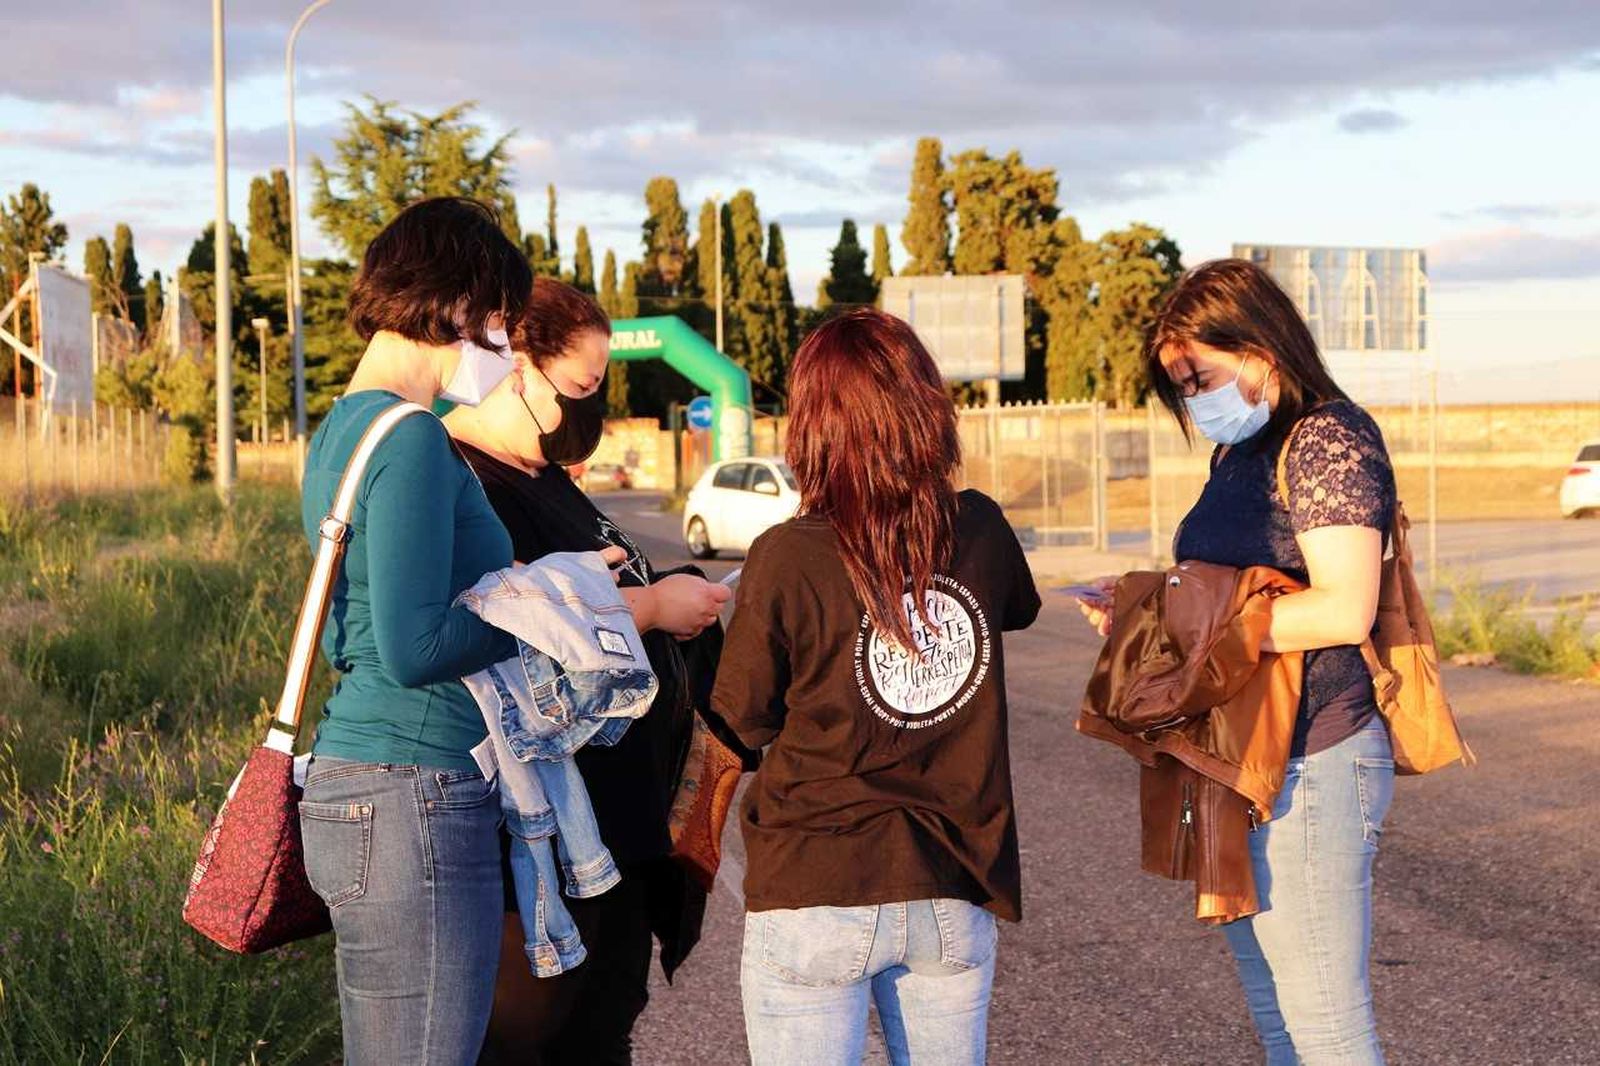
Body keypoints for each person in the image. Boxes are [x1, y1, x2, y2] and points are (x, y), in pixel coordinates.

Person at [297, 197, 617, 1065]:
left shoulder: (343, 430)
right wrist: (550, 619)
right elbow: (413, 648)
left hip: (378, 788)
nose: (509, 348)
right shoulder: (409, 442)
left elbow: (357, 634)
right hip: (416, 797)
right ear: (454, 305)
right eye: (501, 323)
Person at [1080, 258, 1398, 1064]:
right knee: (1279, 1017)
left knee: (1326, 1028)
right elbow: (1233, 589)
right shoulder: (1242, 453)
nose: (1193, 398)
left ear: (1260, 350)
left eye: (1199, 376)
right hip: (1244, 759)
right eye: (1181, 386)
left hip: (1312, 761)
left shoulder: (1328, 437)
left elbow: (1342, 607)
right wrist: (1147, 615)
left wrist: (1192, 632)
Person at [712, 308, 1041, 1066]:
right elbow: (1014, 609)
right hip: (953, 884)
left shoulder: (786, 556)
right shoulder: (981, 528)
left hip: (817, 884)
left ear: (814, 426)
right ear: (926, 408)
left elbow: (740, 723)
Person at [441, 277, 733, 1065]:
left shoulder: (543, 476)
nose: (587, 409)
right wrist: (649, 609)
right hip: (549, 842)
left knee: (602, 1034)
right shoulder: (463, 481)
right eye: (580, 386)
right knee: (538, 1040)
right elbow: (511, 630)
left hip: (614, 837)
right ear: (520, 367)